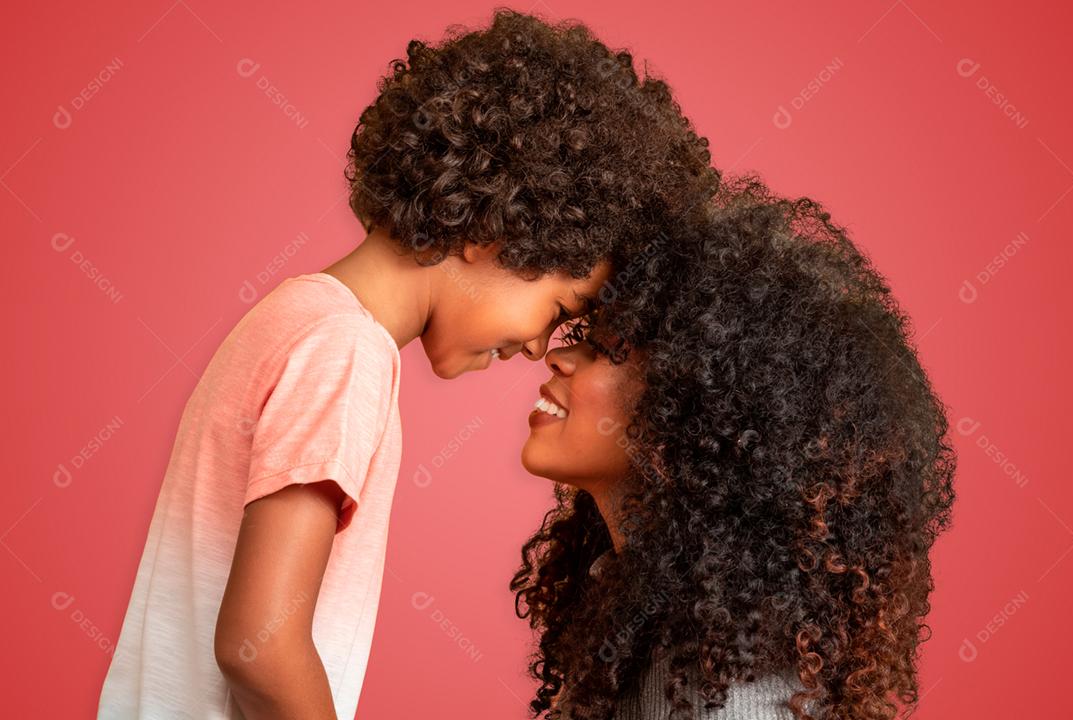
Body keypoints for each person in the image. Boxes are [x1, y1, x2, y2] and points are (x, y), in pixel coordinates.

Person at [96, 10, 718, 720]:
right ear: (500, 230)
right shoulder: (346, 353)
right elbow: (256, 648)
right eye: (555, 310)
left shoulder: (294, 317)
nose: (538, 349)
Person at [512, 176, 957, 719]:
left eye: (607, 348)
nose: (557, 357)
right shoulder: (647, 612)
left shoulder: (718, 686)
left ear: (694, 415)